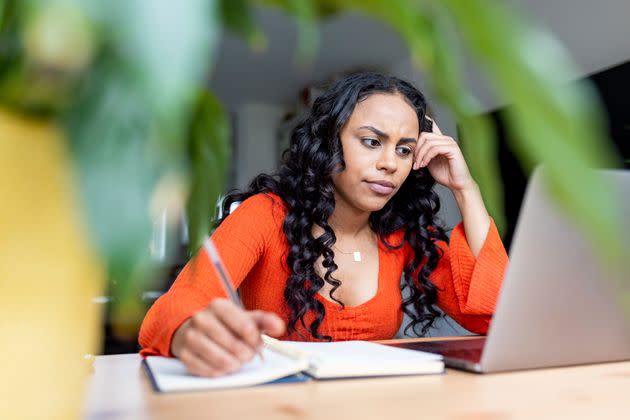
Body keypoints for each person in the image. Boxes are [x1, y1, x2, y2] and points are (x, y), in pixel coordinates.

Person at [139, 72, 508, 378]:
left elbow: (494, 320)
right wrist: (189, 331)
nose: (389, 164)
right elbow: (175, 306)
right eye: (371, 141)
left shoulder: (403, 235)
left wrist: (465, 188)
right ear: (330, 143)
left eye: (404, 149)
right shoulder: (265, 215)